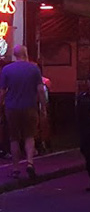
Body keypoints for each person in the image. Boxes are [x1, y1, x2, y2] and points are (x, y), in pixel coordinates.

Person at [0, 45, 47, 179]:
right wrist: (43, 107)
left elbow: (2, 92)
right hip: (30, 106)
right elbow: (40, 90)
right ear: (25, 53)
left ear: (15, 55)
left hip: (12, 107)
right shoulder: (34, 69)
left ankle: (15, 168)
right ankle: (30, 163)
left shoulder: (7, 70)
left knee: (14, 138)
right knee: (29, 136)